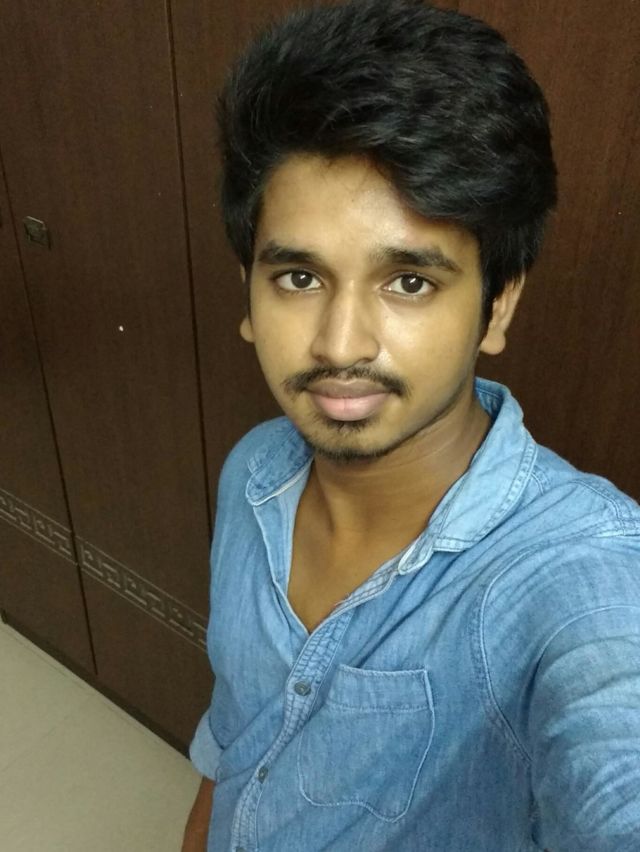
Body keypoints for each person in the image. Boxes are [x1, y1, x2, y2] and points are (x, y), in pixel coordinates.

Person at [182, 1, 640, 849]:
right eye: (298, 278)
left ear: (497, 306)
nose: (340, 345)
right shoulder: (254, 471)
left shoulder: (580, 569)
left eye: (410, 282)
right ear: (247, 290)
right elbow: (237, 741)